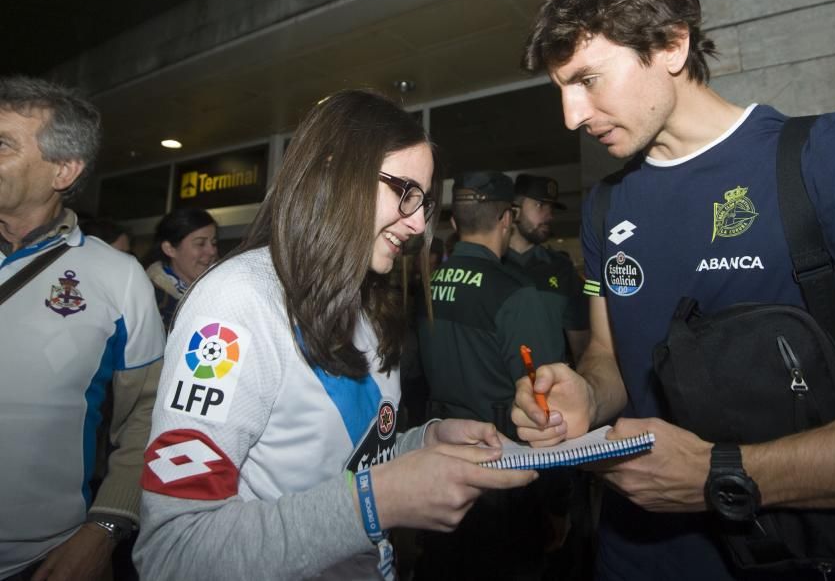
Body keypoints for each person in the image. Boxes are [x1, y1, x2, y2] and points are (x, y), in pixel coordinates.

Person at [511, 0, 835, 580]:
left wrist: (728, 474)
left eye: (586, 79)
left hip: (797, 559)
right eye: (560, 89)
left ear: (670, 45)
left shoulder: (831, 157)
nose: (571, 117)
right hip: (632, 558)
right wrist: (584, 393)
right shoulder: (607, 206)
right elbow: (611, 356)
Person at [133, 90, 536, 581]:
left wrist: (422, 443)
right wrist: (376, 503)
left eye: (424, 203)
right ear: (332, 173)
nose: (416, 222)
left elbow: (334, 459)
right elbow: (173, 549)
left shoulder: (363, 300)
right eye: (404, 191)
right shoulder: (237, 304)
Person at [0, 76, 164, 581]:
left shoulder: (117, 278)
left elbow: (148, 415)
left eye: (3, 145)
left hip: (42, 561)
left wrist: (108, 526)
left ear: (63, 170)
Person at [415, 170, 568, 581]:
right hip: (504, 480)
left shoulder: (425, 288)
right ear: (506, 220)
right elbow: (548, 408)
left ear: (453, 223)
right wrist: (557, 502)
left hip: (437, 470)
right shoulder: (515, 294)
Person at [505, 173, 589, 363]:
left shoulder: (561, 269)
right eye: (540, 205)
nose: (549, 215)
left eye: (551, 208)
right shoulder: (490, 265)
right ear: (514, 209)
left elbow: (582, 348)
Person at [145, 207, 218, 327]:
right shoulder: (152, 303)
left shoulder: (219, 289)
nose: (211, 251)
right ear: (170, 249)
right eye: (200, 243)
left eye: (214, 243)